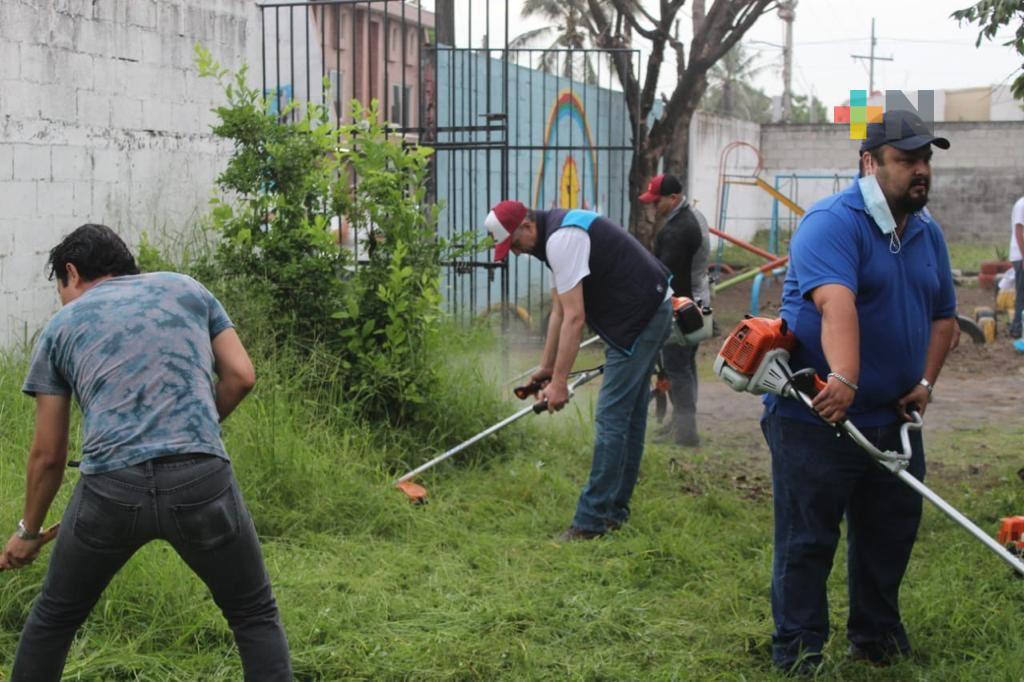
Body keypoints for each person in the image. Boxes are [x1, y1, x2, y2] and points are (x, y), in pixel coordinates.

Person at [3, 224, 292, 680]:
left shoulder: (61, 326)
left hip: (109, 492)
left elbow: (48, 455)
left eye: (60, 288)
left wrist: (29, 531)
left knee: (54, 620)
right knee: (253, 614)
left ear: (72, 273)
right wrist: (188, 431)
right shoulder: (188, 291)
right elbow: (241, 376)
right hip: (202, 482)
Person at [760, 110, 957, 673]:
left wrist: (923, 383)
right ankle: (798, 651)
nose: (920, 171)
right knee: (807, 539)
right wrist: (843, 379)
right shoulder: (832, 222)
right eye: (906, 161)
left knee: (889, 533)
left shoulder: (927, 231)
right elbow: (834, 304)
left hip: (893, 419)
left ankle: (875, 637)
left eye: (925, 161)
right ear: (869, 163)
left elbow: (944, 318)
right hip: (816, 417)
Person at [484, 201, 673, 540]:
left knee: (611, 417)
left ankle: (591, 521)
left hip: (640, 314)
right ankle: (614, 511)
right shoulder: (553, 235)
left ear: (526, 226)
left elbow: (575, 318)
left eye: (513, 244)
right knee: (628, 417)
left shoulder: (561, 240)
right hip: (646, 307)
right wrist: (547, 367)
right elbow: (558, 311)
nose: (514, 253)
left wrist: (559, 384)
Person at [640, 174, 711, 446]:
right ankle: (680, 425)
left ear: (673, 198)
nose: (653, 205)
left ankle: (685, 433)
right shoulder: (695, 217)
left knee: (676, 367)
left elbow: (664, 275)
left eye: (657, 200)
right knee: (686, 367)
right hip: (699, 301)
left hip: (682, 308)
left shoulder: (677, 231)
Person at [1009, 194, 1024, 339]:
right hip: (1020, 256)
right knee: (1022, 293)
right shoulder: (1022, 205)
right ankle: (1017, 328)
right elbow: (1019, 230)